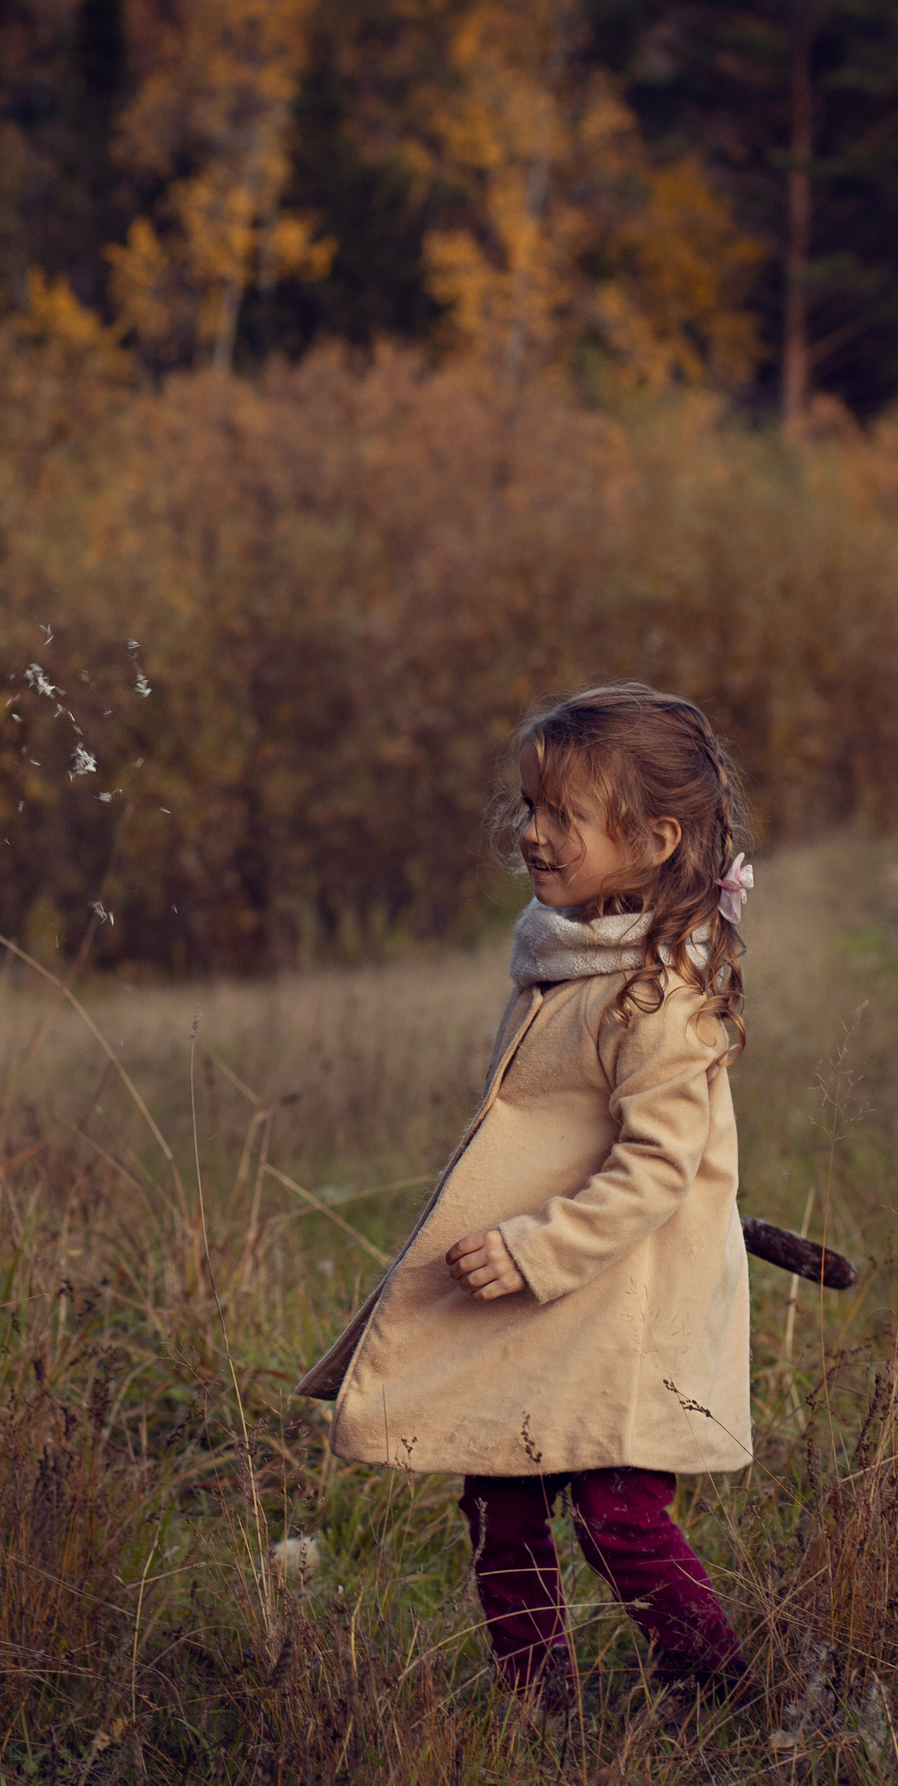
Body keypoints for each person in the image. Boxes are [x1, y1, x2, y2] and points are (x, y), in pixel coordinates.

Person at [297, 682, 757, 1711]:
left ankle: (723, 1693)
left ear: (652, 838)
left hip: (613, 1300)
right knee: (496, 1494)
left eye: (560, 815)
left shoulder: (658, 992)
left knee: (617, 1511)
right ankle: (536, 1707)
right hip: (541, 1301)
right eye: (528, 807)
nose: (531, 834)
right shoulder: (564, 953)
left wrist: (540, 1248)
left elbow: (655, 1165)